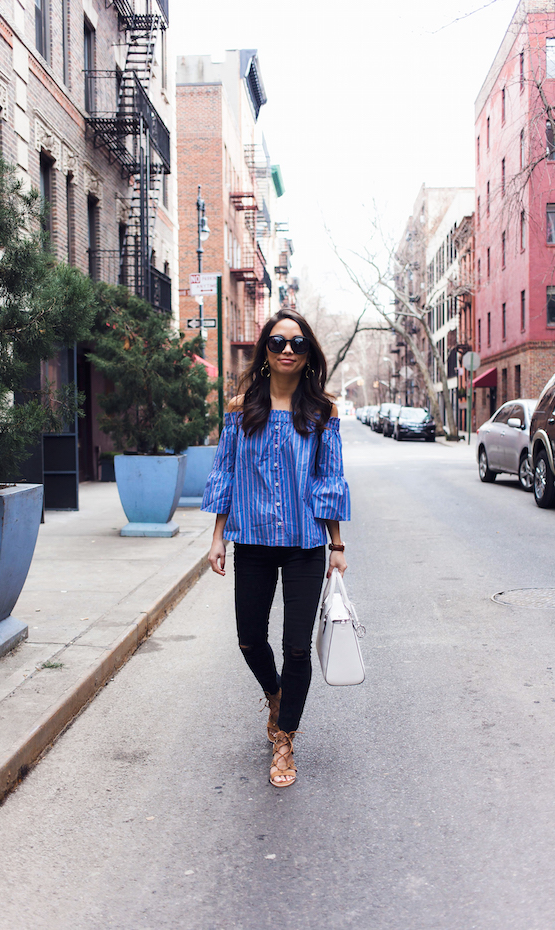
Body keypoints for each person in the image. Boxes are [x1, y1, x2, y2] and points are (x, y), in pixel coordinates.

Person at [202, 308, 350, 788]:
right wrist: (217, 536)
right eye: (279, 342)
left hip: (305, 543)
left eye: (298, 343)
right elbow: (225, 472)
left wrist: (337, 545)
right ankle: (276, 694)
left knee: (296, 648)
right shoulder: (239, 407)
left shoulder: (322, 411)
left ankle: (285, 737)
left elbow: (330, 481)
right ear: (265, 350)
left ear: (309, 355)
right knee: (248, 638)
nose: (288, 350)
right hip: (253, 539)